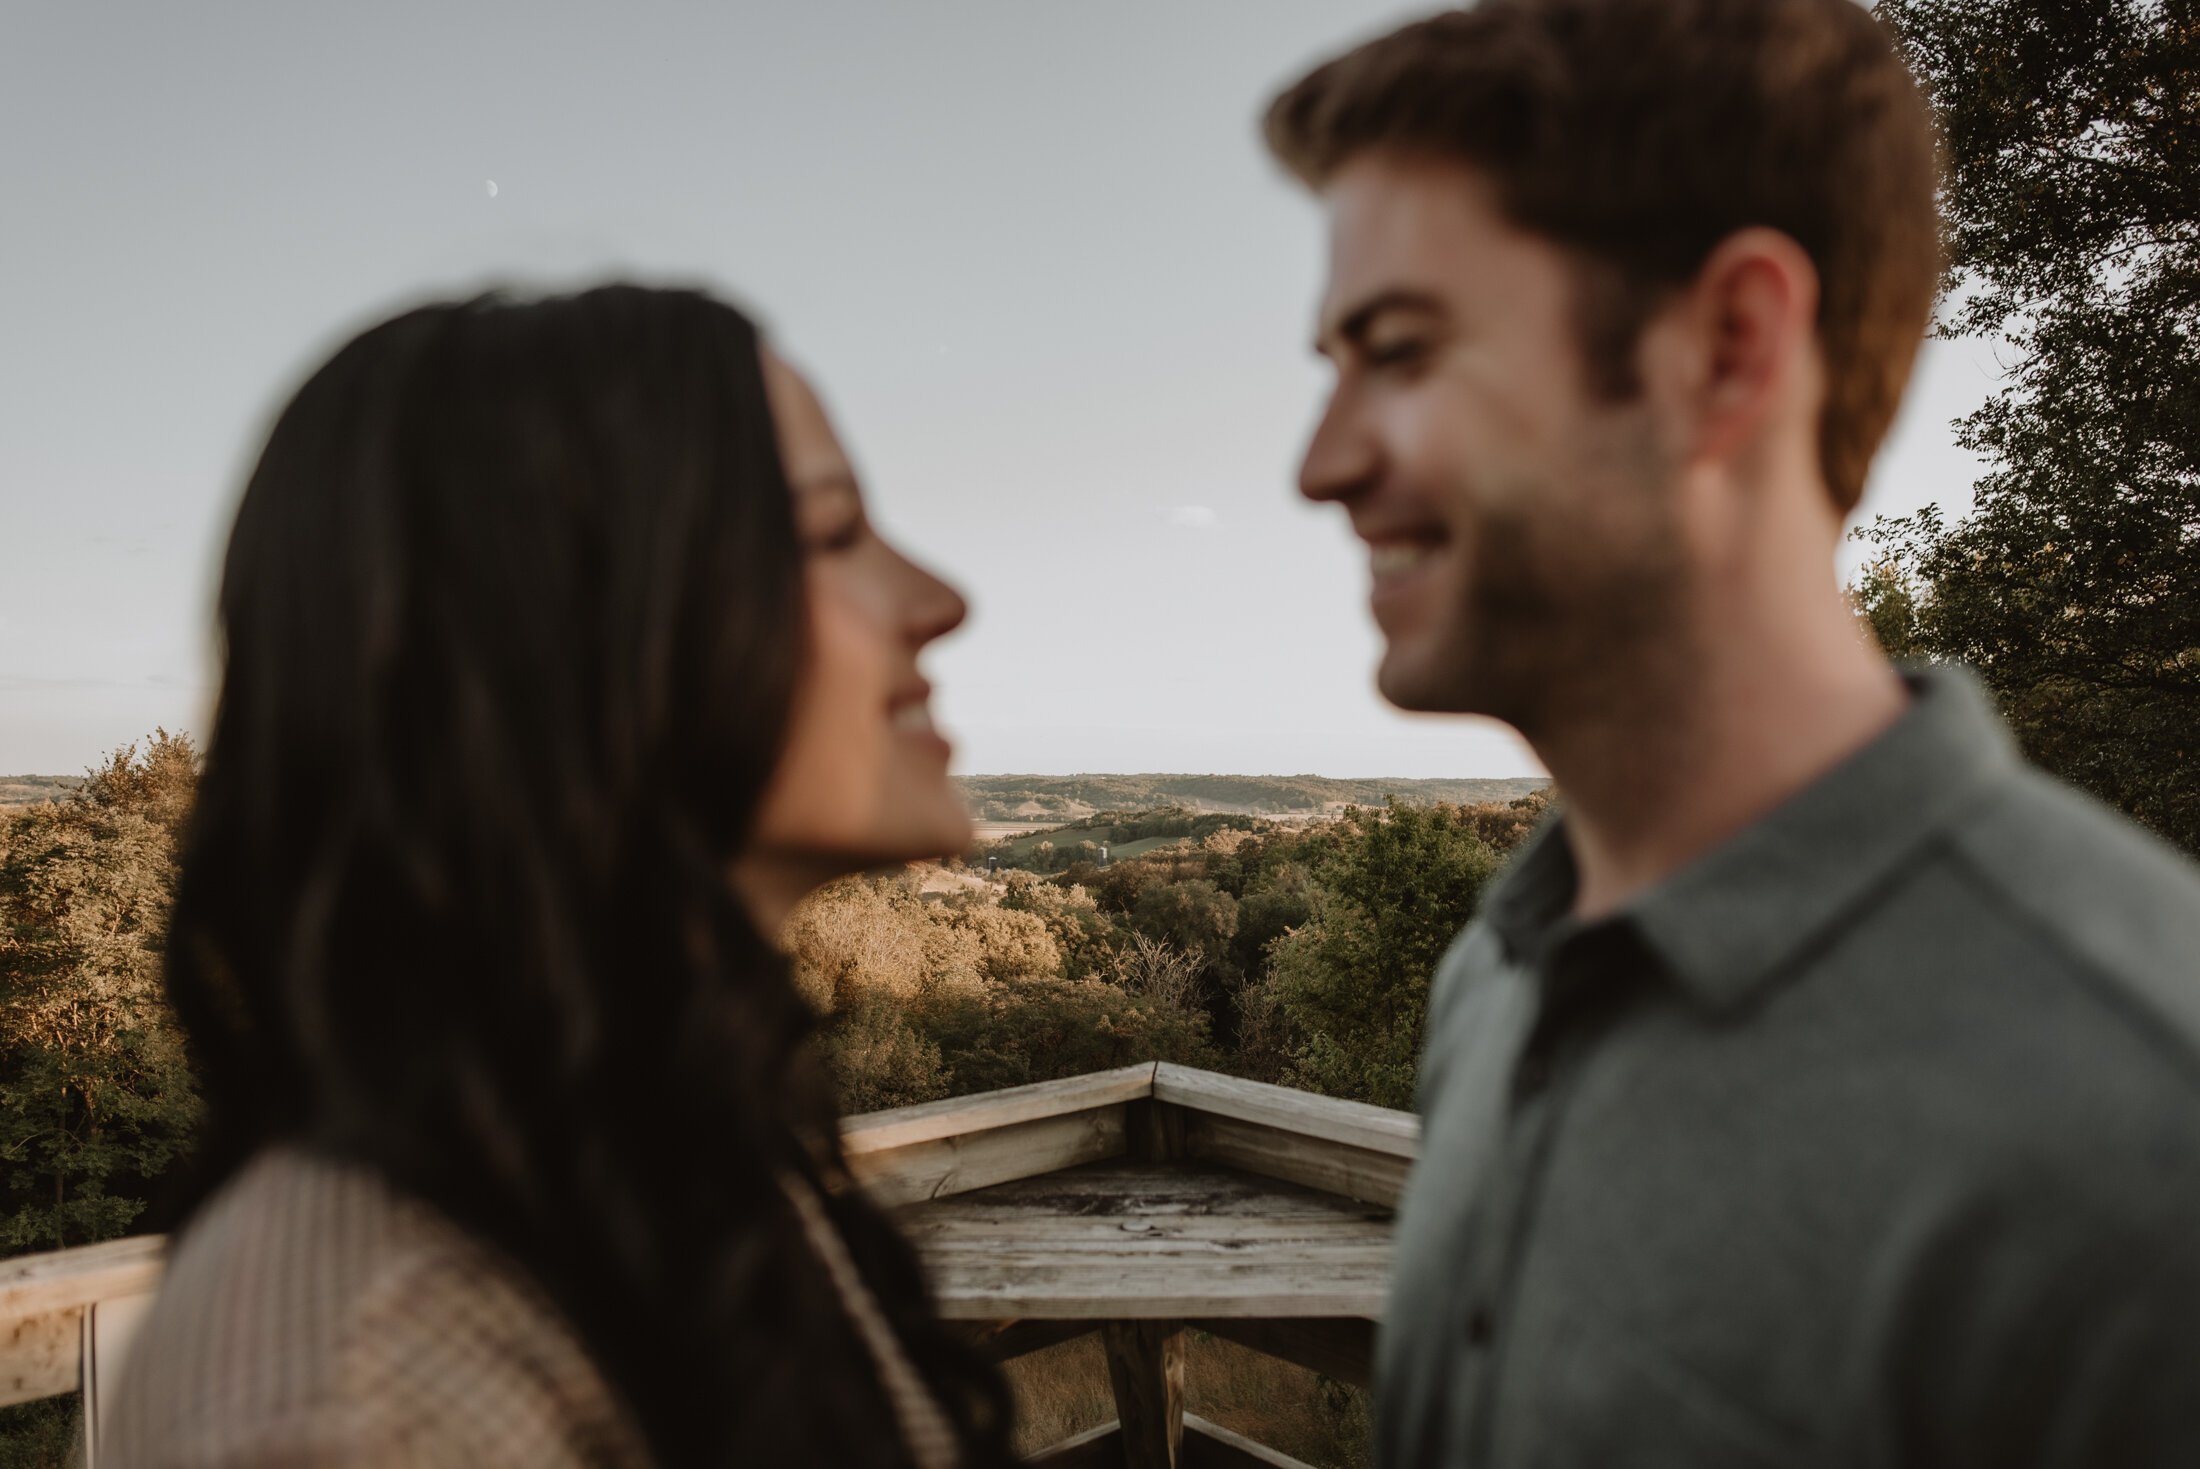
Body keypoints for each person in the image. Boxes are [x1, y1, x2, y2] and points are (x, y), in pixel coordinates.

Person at [1264, 2, 2200, 1465]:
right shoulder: (1497, 980)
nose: (1320, 463)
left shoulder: (2143, 1131)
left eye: (1399, 350)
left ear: (1729, 344)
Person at [107, 286, 1014, 1468]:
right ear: (574, 638)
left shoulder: (658, 1149)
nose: (941, 601)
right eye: (834, 534)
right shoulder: (361, 1390)